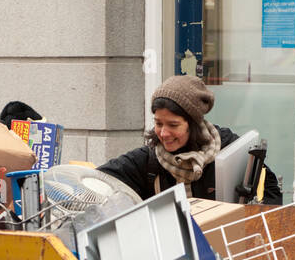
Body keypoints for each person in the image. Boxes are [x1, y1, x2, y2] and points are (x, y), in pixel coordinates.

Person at [98, 76, 284, 204]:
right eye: (158, 123)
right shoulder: (147, 161)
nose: (163, 133)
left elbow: (270, 191)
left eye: (173, 125)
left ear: (193, 124)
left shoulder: (230, 148)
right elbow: (99, 180)